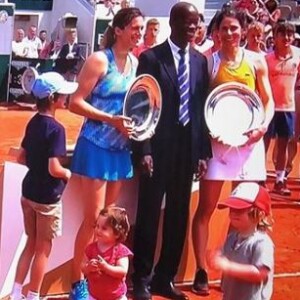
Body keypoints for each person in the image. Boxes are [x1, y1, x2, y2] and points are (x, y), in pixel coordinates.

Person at [191, 7, 274, 296]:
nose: (229, 33)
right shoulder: (208, 62)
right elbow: (199, 104)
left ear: (243, 30)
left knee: (246, 211)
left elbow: (267, 100)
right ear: (217, 32)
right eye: (224, 28)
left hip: (249, 146)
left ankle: (232, 265)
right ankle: (201, 270)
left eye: (234, 28)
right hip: (218, 146)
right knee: (206, 209)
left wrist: (262, 126)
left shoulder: (256, 61)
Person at [131, 2, 212, 300]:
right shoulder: (151, 58)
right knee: (150, 213)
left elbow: (201, 108)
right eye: (187, 23)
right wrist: (145, 150)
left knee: (178, 214)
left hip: (187, 149)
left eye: (196, 24)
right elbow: (141, 105)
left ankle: (165, 278)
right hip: (157, 147)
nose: (192, 28)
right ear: (173, 23)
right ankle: (141, 278)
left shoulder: (200, 61)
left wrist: (203, 152)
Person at [68, 7, 144, 300]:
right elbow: (74, 103)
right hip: (96, 147)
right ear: (119, 29)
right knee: (93, 222)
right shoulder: (99, 60)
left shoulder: (135, 64)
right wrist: (110, 120)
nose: (139, 33)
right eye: (135, 28)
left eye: (140, 29)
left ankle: (102, 281)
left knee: (109, 225)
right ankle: (78, 284)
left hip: (120, 149)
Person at [9, 72, 78, 300]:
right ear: (52, 99)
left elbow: (22, 157)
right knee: (43, 249)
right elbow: (54, 169)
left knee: (31, 243)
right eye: (62, 95)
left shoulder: (33, 123)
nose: (65, 98)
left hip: (28, 193)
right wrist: (68, 174)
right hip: (47, 199)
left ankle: (18, 292)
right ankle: (34, 295)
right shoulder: (56, 129)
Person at [208, 182, 274, 300]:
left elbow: (260, 273)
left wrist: (228, 266)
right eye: (232, 208)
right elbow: (224, 260)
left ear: (259, 213)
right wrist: (216, 258)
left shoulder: (262, 243)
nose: (233, 213)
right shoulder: (231, 238)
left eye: (240, 209)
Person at [264, 22, 300, 195]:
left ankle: (280, 180)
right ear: (275, 37)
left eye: (290, 34)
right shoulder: (266, 59)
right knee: (263, 144)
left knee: (284, 144)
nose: (286, 38)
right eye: (282, 34)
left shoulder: (298, 56)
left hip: (288, 107)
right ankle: (258, 178)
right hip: (269, 108)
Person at [82, 206, 132, 300]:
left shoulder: (121, 250)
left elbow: (122, 272)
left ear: (117, 233)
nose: (98, 230)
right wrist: (88, 267)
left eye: (104, 228)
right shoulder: (91, 248)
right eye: (97, 226)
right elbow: (83, 267)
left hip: (116, 297)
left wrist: (106, 267)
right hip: (94, 296)